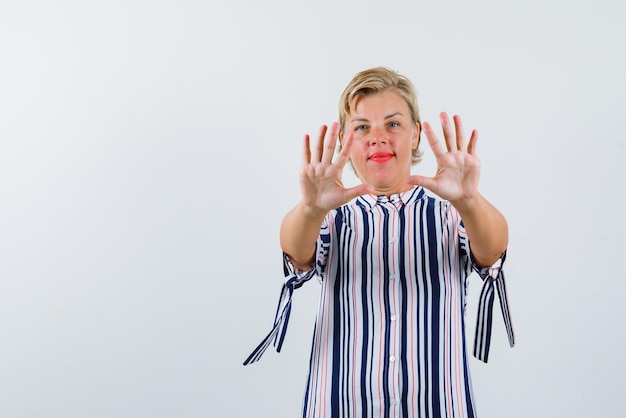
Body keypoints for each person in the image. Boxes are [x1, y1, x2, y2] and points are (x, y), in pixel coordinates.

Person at [244, 67, 515, 417]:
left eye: (393, 124)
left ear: (415, 134)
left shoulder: (452, 213)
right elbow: (296, 254)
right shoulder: (331, 215)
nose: (377, 137)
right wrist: (310, 209)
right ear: (345, 140)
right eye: (361, 127)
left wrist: (469, 201)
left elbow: (493, 251)